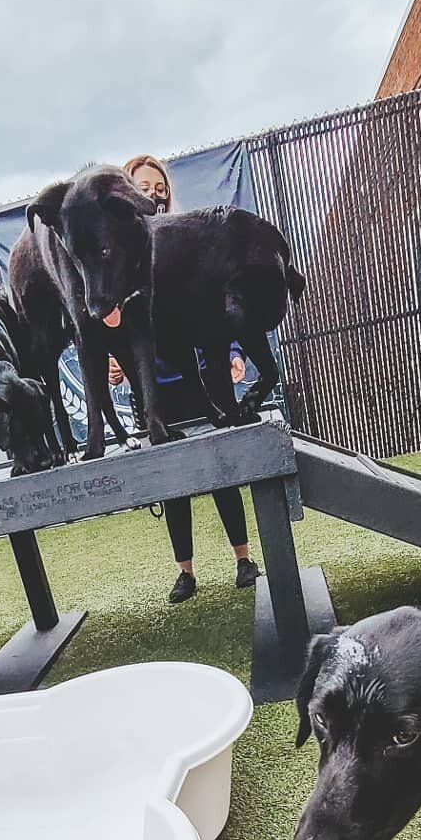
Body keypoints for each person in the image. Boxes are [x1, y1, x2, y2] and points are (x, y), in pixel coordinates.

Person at [114, 153, 260, 604]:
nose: (153, 195)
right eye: (143, 187)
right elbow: (115, 326)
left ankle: (243, 558)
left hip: (202, 379)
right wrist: (117, 366)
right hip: (157, 392)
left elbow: (217, 304)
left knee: (221, 469)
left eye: (159, 187)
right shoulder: (119, 262)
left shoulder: (186, 242)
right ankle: (185, 573)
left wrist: (233, 352)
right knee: (171, 478)